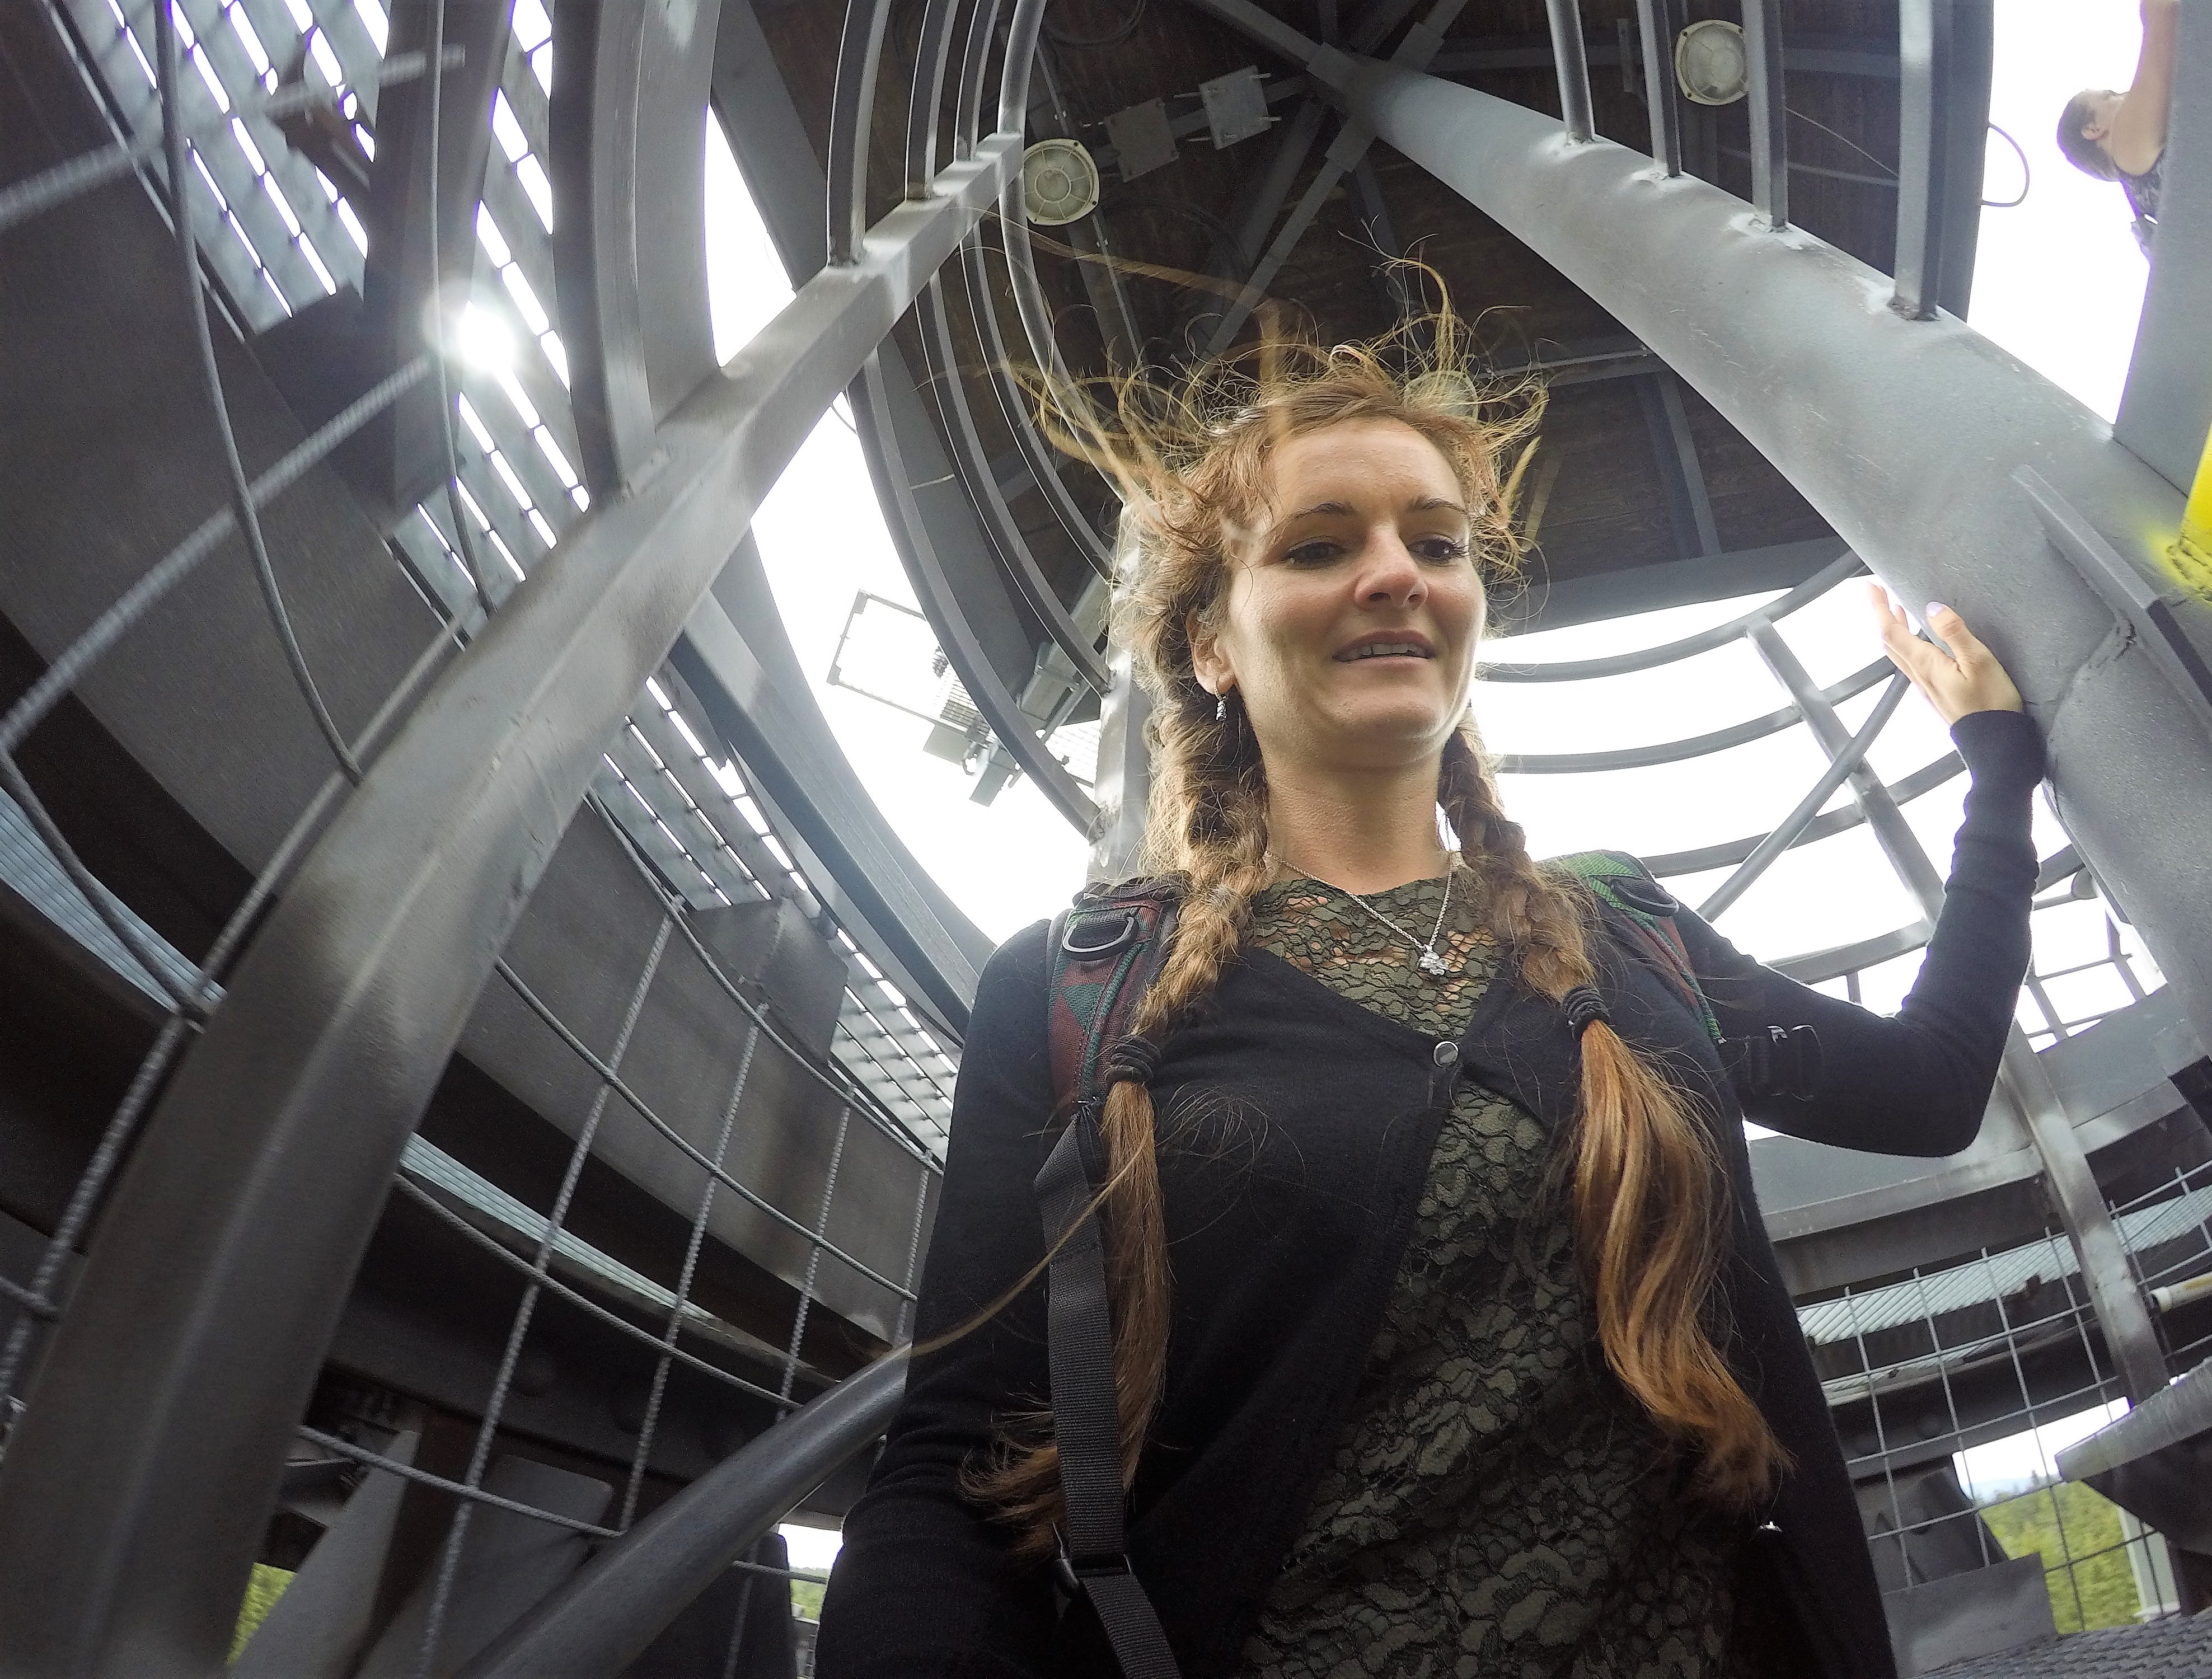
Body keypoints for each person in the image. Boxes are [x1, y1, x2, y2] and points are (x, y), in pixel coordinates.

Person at [818, 313, 2044, 1679]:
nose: (1396, 573)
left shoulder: (1618, 927)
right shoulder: (1078, 986)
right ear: (1211, 645)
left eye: (1437, 542)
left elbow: (1926, 1089)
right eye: (1316, 545)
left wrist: (1995, 775)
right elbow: (959, 1464)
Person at [2056, 0, 2181, 252]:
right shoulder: (2129, 152)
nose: (2125, 94)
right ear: (2094, 129)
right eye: (2109, 96)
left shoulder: (2148, 201)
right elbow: (2161, 14)